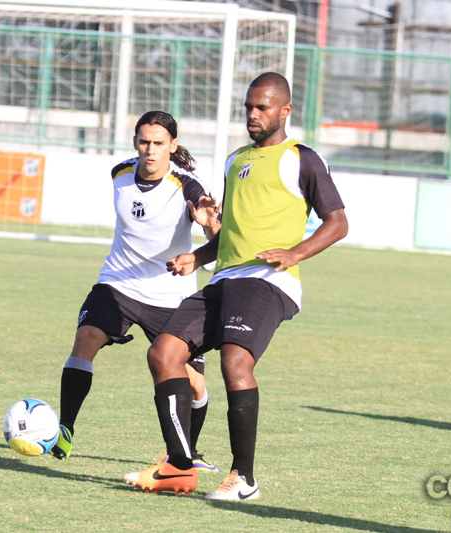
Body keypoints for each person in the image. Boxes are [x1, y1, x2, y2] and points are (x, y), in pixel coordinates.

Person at [123, 72, 349, 499]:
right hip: (225, 276)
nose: (253, 114)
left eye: (263, 107)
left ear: (285, 110)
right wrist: (198, 256)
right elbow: (230, 232)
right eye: (248, 107)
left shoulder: (301, 159)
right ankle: (178, 466)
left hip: (267, 280)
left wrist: (295, 253)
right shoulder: (235, 160)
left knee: (234, 361)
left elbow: (338, 223)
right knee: (163, 353)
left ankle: (243, 478)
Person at [53, 110, 221, 473]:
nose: (150, 149)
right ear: (135, 143)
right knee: (85, 338)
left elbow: (215, 233)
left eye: (159, 143)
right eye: (144, 142)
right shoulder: (119, 173)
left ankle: (187, 451)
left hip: (171, 295)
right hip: (119, 283)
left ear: (172, 146)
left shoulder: (188, 185)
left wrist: (209, 225)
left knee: (194, 384)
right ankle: (64, 429)